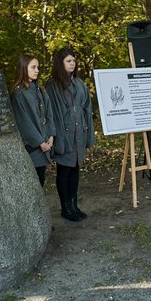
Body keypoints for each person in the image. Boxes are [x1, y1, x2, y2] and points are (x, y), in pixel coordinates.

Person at [45, 47, 95, 222]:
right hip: (63, 135)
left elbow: (87, 109)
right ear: (60, 63)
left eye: (73, 60)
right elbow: (51, 114)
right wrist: (54, 137)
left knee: (75, 170)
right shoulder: (52, 85)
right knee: (64, 171)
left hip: (78, 134)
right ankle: (66, 208)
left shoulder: (79, 83)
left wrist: (88, 133)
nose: (72, 63)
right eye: (68, 61)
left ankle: (74, 205)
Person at [9, 54, 55, 187]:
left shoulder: (40, 90)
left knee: (41, 181)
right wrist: (40, 142)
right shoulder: (18, 93)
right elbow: (23, 122)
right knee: (33, 184)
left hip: (46, 142)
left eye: (38, 67)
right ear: (24, 68)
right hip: (32, 148)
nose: (37, 70)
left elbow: (49, 115)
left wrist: (51, 136)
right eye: (33, 67)